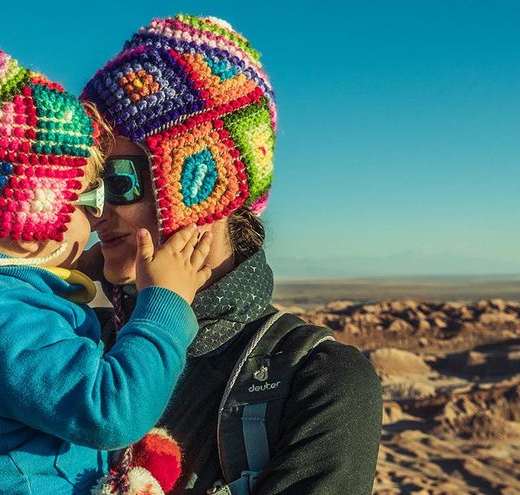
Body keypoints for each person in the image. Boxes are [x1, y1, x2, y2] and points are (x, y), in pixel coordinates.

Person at [0, 23, 213, 495]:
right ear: (33, 220)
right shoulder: (0, 319)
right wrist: (164, 303)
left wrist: (66, 271)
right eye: (89, 198)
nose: (101, 217)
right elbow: (110, 412)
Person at [80, 14, 383, 495]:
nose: (95, 214)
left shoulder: (315, 381)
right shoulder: (66, 348)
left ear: (201, 188)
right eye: (87, 187)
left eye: (116, 181)